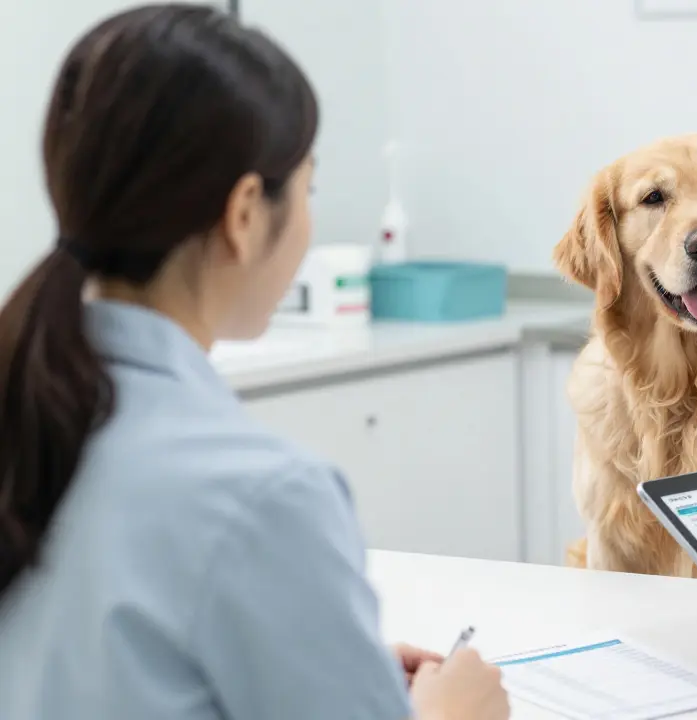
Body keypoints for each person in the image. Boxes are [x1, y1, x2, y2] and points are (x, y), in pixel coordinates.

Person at [0, 5, 508, 720]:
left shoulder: (33, 408)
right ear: (244, 214)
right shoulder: (263, 496)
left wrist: (330, 663)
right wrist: (454, 714)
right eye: (308, 188)